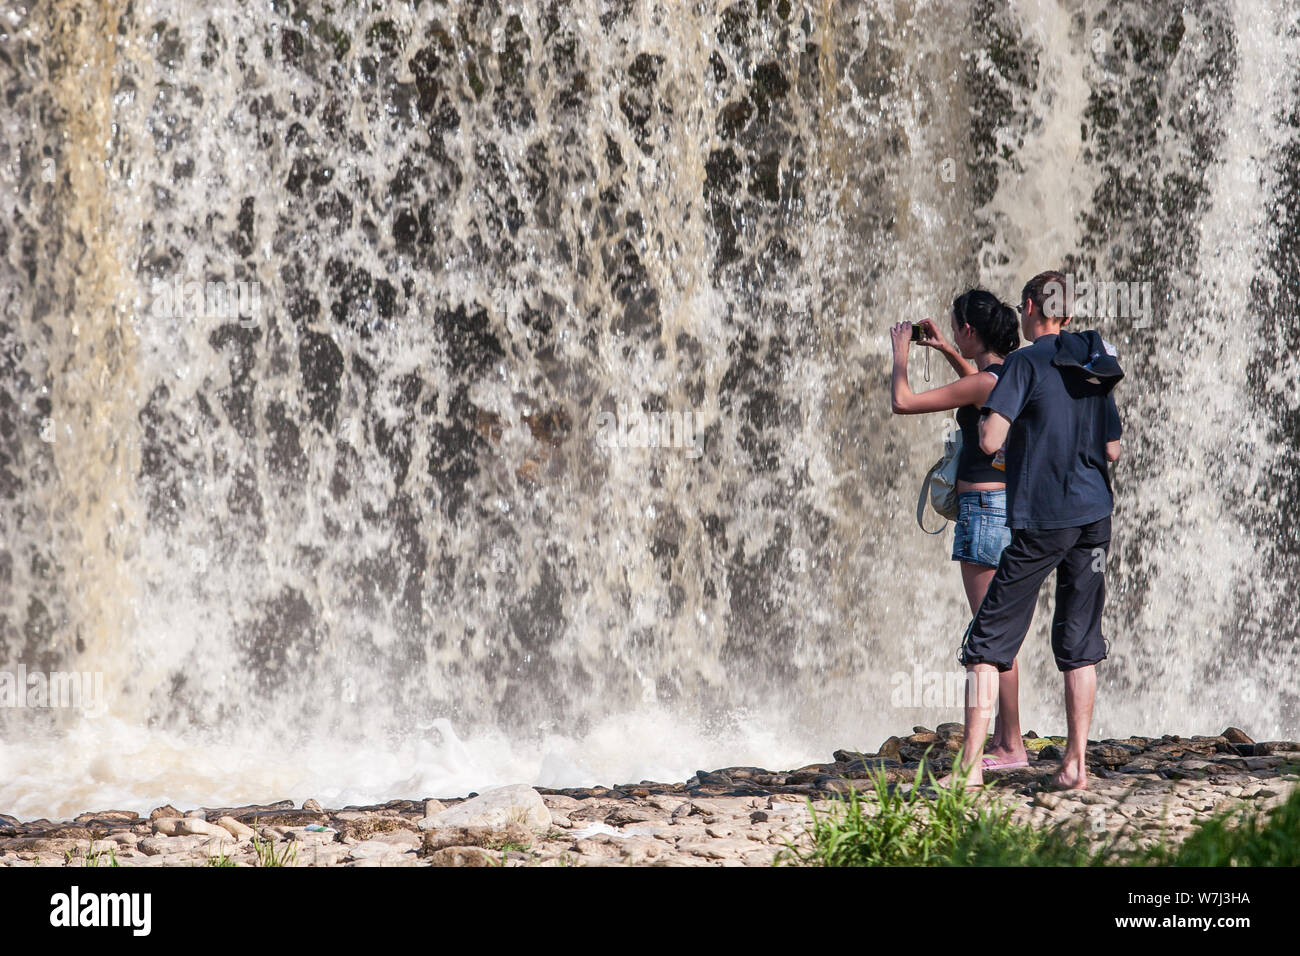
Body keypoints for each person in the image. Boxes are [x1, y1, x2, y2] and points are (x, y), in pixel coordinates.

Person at [949, 270, 1123, 791]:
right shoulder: (1095, 364)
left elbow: (989, 439)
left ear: (1030, 308)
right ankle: (1075, 765)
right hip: (1094, 517)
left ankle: (969, 771)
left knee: (986, 645)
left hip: (1043, 520)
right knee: (1079, 644)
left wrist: (991, 428)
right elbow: (1112, 448)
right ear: (1066, 311)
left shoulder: (1024, 363)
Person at [890, 289, 1027, 769]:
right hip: (1008, 508)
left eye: (957, 329)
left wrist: (901, 351)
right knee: (1002, 628)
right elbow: (978, 385)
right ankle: (1008, 740)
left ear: (972, 330)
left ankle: (1009, 745)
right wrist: (949, 349)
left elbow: (904, 403)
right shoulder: (1012, 371)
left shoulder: (989, 382)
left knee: (989, 634)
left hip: (983, 512)